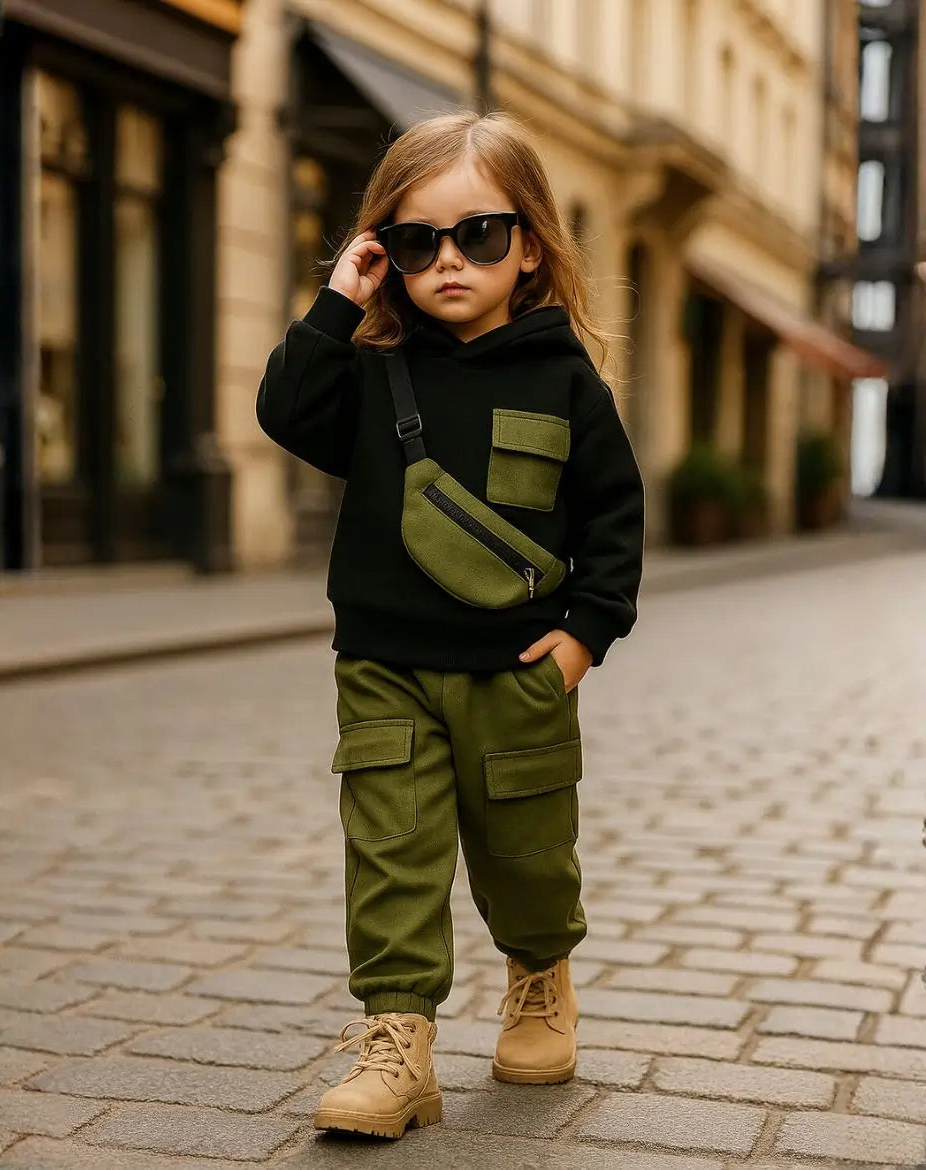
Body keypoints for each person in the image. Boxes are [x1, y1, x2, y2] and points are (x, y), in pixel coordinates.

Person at [256, 108, 645, 1140]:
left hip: (514, 674)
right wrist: (341, 298)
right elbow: (287, 414)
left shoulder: (564, 378)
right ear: (389, 252)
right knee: (393, 851)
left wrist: (581, 641)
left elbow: (613, 517)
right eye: (417, 241)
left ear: (528, 245)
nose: (449, 261)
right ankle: (399, 1042)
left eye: (477, 233)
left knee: (526, 854)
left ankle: (539, 975)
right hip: (383, 667)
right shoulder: (376, 368)